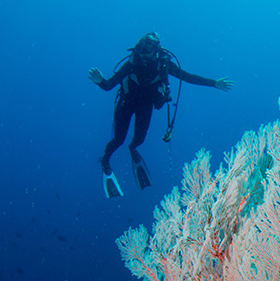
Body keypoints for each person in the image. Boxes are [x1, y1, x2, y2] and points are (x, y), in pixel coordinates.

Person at [88, 32, 233, 198]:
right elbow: (108, 85)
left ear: (156, 50)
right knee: (118, 140)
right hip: (125, 105)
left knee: (138, 140)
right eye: (141, 48)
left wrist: (214, 83)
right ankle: (105, 162)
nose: (143, 53)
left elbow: (187, 77)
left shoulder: (164, 65)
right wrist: (100, 80)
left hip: (145, 107)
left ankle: (133, 150)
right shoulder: (131, 63)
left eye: (148, 49)